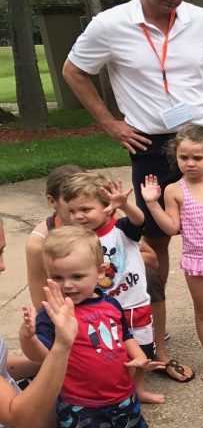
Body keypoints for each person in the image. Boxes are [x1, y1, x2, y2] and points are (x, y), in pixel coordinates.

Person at [62, 0, 203, 382]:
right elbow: (74, 71)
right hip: (148, 143)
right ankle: (154, 331)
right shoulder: (109, 25)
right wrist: (110, 123)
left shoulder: (202, 21)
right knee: (155, 241)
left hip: (202, 141)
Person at [0, 221, 139, 428]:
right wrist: (61, 346)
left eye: (2, 252)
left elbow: (5, 366)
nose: (3, 265)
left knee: (84, 399)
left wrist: (89, 362)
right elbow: (21, 419)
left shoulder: (104, 303)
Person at [22, 227, 171, 428]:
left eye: (77, 276)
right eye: (57, 277)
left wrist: (138, 356)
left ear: (101, 271)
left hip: (121, 395)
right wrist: (28, 336)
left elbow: (124, 335)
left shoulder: (110, 304)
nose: (67, 285)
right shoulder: (53, 315)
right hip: (82, 403)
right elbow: (40, 355)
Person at [60, 173, 166, 405]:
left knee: (141, 351)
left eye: (86, 209)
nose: (78, 216)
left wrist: (126, 204)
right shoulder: (76, 239)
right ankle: (118, 391)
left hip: (132, 302)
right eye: (73, 211)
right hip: (99, 309)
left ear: (107, 207)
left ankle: (138, 389)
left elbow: (139, 221)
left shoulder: (121, 229)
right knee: (108, 352)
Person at [141, 124, 203, 381]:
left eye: (197, 158)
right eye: (184, 158)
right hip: (197, 260)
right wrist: (151, 203)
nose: (190, 163)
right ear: (176, 157)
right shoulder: (174, 190)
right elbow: (171, 227)